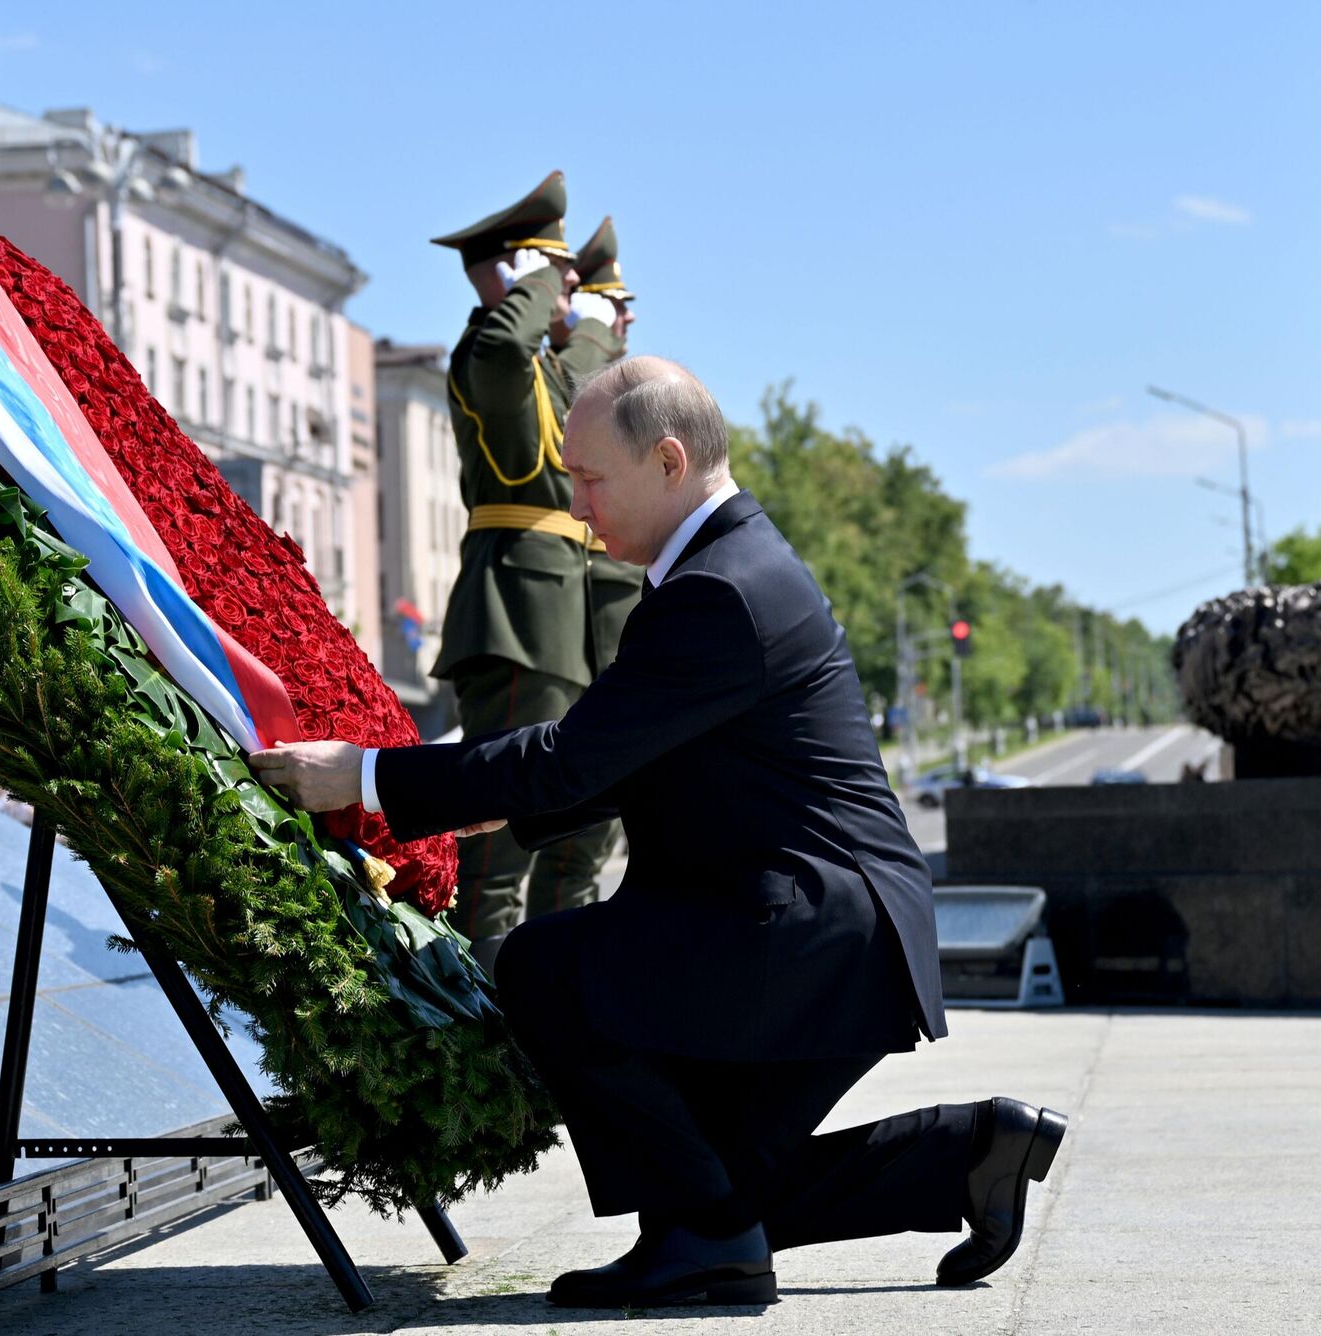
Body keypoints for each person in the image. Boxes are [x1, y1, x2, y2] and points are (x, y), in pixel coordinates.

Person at [251, 356, 1067, 1310]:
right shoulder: (722, 570)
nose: (578, 505)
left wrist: (367, 775)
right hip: (826, 925)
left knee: (546, 969)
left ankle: (713, 1253)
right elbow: (622, 758)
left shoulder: (720, 590)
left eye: (590, 478)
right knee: (717, 1186)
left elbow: (576, 757)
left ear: (669, 460)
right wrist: (477, 796)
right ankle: (970, 1155)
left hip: (814, 932)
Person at [426, 175, 628, 968]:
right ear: (511, 272)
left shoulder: (543, 376)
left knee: (574, 835)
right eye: (556, 273)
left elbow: (587, 380)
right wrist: (539, 280)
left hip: (564, 621)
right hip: (515, 613)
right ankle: (485, 1030)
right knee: (500, 848)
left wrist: (599, 326)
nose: (566, 293)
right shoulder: (490, 358)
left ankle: (549, 1011)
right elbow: (510, 342)